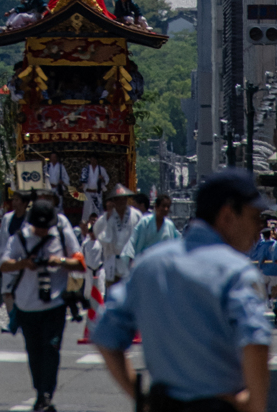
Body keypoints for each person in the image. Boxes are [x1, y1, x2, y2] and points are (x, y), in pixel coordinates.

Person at [93, 169, 273, 412]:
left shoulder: (151, 265)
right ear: (228, 215)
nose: (257, 229)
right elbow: (255, 342)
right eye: (254, 218)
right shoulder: (236, 272)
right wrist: (254, 405)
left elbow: (105, 335)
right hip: (218, 404)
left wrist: (140, 398)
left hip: (162, 403)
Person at [0, 199, 83, 412]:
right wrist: (24, 263)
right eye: (40, 228)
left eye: (46, 228)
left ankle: (47, 394)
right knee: (34, 352)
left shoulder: (61, 233)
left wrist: (60, 261)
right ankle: (40, 391)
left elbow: (80, 263)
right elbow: (3, 264)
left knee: (51, 350)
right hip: (28, 304)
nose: (43, 231)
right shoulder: (20, 237)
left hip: (55, 304)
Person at [94, 185, 141, 286]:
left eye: (123, 199)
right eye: (118, 200)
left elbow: (140, 237)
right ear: (113, 201)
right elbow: (97, 232)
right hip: (112, 262)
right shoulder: (107, 216)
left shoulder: (136, 215)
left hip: (130, 262)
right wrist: (108, 215)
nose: (121, 202)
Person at [0, 192, 30, 319]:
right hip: (8, 261)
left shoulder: (30, 219)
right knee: (7, 293)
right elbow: (1, 241)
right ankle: (12, 319)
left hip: (24, 263)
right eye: (13, 200)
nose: (14, 203)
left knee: (23, 293)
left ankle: (22, 319)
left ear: (25, 203)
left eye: (17, 200)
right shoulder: (7, 218)